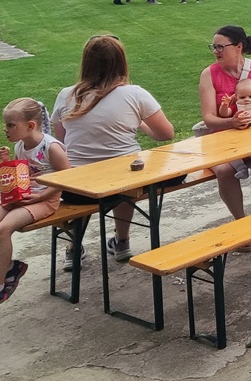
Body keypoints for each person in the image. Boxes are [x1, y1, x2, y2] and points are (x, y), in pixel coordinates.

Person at [51, 34, 175, 264]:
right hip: (124, 182)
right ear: (121, 62)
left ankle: (73, 247)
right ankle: (122, 241)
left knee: (85, 176)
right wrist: (139, 123)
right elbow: (166, 134)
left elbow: (62, 142)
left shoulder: (67, 95)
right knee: (125, 179)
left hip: (77, 186)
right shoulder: (135, 93)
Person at [0, 99, 70, 316]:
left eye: (10, 125)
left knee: (2, 229)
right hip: (20, 196)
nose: (5, 129)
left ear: (30, 125)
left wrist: (41, 195)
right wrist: (8, 163)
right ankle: (10, 268)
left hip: (45, 200)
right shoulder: (20, 146)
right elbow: (21, 174)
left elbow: (67, 176)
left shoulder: (51, 147)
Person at [198, 26, 251, 223]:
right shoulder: (209, 74)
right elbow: (209, 117)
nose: (215, 51)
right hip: (223, 137)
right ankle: (240, 222)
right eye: (214, 47)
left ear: (238, 47)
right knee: (224, 171)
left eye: (220, 47)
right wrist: (232, 121)